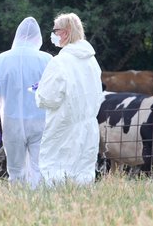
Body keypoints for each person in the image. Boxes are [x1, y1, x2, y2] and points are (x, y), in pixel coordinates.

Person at [0, 17, 52, 188]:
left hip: (11, 121)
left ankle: (19, 205)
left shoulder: (1, 61)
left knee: (16, 170)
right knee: (39, 168)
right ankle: (39, 204)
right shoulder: (47, 60)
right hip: (41, 121)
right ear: (38, 38)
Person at [35, 12, 104, 185]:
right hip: (88, 127)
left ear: (65, 32)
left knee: (56, 170)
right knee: (83, 172)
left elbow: (49, 98)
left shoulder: (60, 62)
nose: (53, 34)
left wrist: (38, 92)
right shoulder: (92, 61)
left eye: (55, 30)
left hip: (64, 126)